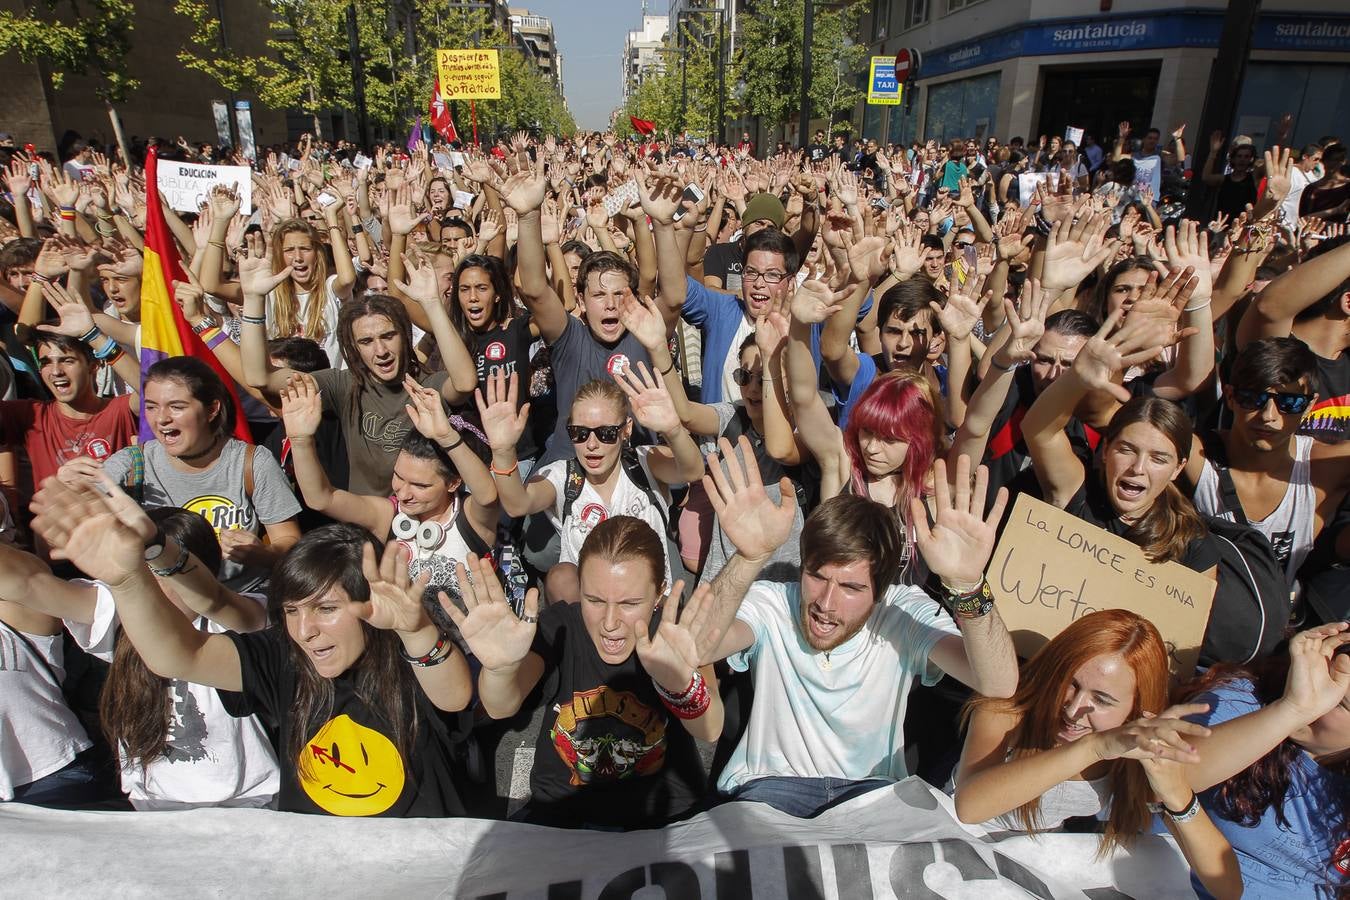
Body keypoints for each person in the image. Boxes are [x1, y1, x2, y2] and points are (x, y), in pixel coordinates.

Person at [29, 480, 476, 818]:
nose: (307, 631)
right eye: (294, 612)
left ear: (372, 601)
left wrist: (417, 630)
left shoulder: (409, 655)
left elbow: (453, 696)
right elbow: (177, 656)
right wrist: (128, 578)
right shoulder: (284, 657)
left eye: (325, 608)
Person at [448, 519, 722, 829]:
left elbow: (709, 728)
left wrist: (679, 685)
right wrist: (501, 669)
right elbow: (501, 705)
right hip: (564, 814)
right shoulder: (561, 626)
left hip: (664, 816)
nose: (609, 622)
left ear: (659, 594)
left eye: (630, 603)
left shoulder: (675, 635)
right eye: (594, 600)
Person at [0, 505, 279, 810]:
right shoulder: (123, 613)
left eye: (160, 574)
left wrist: (157, 548)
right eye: (139, 578)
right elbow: (27, 584)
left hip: (249, 807)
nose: (148, 591)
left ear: (203, 571)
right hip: (153, 815)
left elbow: (222, 604)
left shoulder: (239, 616)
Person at [952, 609, 1242, 899]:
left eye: (1101, 700)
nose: (1073, 709)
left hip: (1027, 868)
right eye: (1070, 684)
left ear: (1136, 708)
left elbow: (1227, 888)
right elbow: (970, 808)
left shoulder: (1132, 755)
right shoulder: (1008, 711)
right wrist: (1093, 747)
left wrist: (1177, 795)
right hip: (949, 846)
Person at [240, 256, 477, 496]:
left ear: (405, 336)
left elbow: (465, 382)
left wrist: (432, 304)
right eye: (366, 341)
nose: (381, 351)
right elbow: (261, 378)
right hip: (369, 520)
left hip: (428, 521)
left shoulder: (426, 385)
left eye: (388, 336)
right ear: (353, 347)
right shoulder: (342, 385)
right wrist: (253, 300)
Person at [71, 357, 302, 593]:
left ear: (212, 409)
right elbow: (74, 525)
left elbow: (290, 542)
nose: (161, 419)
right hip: (164, 603)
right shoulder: (131, 465)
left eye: (176, 407)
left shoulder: (252, 462)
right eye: (151, 407)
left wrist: (262, 554)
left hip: (241, 599)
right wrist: (71, 488)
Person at [480, 369, 703, 603]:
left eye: (606, 433)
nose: (592, 444)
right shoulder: (562, 476)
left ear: (626, 430)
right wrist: (503, 452)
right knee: (560, 577)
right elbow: (517, 504)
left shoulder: (645, 462)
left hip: (649, 601)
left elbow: (693, 470)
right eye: (580, 433)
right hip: (592, 609)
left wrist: (674, 430)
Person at [280, 373, 500, 595]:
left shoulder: (471, 518)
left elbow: (488, 496)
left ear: (453, 483)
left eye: (419, 486)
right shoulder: (389, 515)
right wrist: (300, 441)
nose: (403, 493)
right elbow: (321, 498)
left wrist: (447, 438)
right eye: (398, 476)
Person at [1180, 623, 1350, 899]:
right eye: (1318, 677)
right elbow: (1171, 777)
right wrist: (1292, 709)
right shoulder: (1244, 703)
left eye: (1340, 702)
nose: (1318, 698)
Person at [1184, 337, 1350, 591]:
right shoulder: (1197, 453)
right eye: (1252, 398)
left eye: (1289, 403)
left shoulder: (1323, 468)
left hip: (1271, 625)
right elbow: (1111, 418)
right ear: (1229, 396)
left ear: (1309, 406)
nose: (1268, 416)